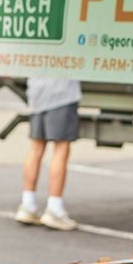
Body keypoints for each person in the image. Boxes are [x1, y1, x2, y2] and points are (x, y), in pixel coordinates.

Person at [16, 77, 82, 230]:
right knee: (61, 148)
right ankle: (55, 208)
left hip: (37, 91)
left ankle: (28, 205)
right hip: (62, 93)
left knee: (36, 147)